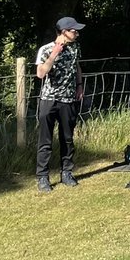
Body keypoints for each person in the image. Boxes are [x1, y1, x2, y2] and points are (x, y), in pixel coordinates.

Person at [34, 16, 86, 192]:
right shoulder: (46, 49)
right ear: (64, 32)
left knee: (67, 139)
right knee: (45, 141)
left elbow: (77, 66)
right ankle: (42, 177)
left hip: (68, 100)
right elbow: (40, 73)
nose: (76, 33)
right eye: (74, 30)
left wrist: (79, 86)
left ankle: (67, 173)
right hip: (49, 100)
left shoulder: (75, 48)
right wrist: (54, 54)